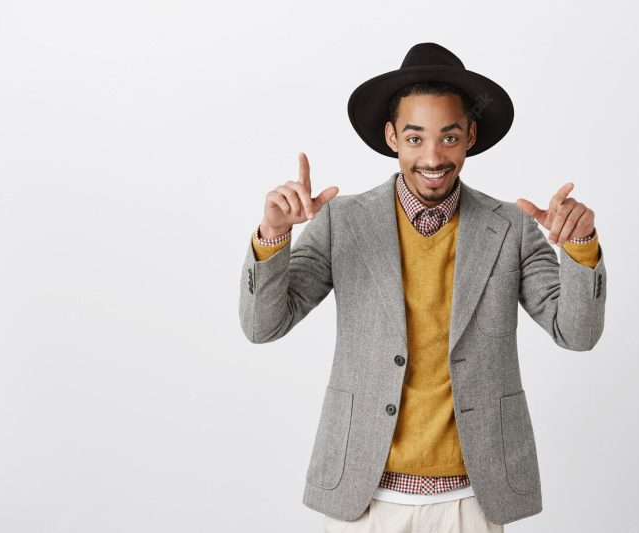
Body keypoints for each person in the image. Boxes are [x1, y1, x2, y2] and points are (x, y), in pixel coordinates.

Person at [239, 42, 606, 531]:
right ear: (392, 136)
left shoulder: (511, 229)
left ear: (471, 136)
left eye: (449, 137)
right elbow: (263, 326)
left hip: (474, 500)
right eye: (415, 138)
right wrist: (274, 236)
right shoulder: (342, 222)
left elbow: (576, 333)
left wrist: (579, 246)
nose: (432, 156)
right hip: (364, 499)